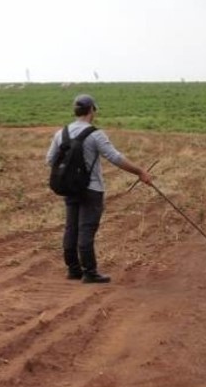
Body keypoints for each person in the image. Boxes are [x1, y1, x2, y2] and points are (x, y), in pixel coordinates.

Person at [45, 94, 153, 284]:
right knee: (86, 229)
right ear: (92, 110)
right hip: (92, 189)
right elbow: (115, 158)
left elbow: (50, 160)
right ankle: (90, 272)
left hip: (70, 188)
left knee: (71, 227)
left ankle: (73, 269)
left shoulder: (61, 133)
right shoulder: (95, 134)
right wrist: (140, 172)